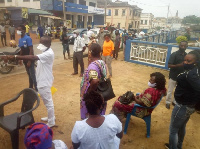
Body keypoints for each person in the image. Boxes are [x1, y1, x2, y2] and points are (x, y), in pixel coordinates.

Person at [6, 35, 56, 127]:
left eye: (43, 43)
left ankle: (52, 121)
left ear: (49, 44)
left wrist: (16, 57)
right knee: (46, 101)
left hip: (44, 81)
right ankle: (50, 117)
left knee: (48, 102)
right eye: (41, 42)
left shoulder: (48, 53)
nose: (41, 44)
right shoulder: (45, 50)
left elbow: (33, 58)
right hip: (42, 79)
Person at [165, 51, 200, 149]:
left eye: (189, 61)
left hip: (182, 106)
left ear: (195, 62)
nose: (185, 62)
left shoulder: (190, 75)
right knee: (181, 126)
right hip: (189, 106)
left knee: (173, 130)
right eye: (184, 60)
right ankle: (178, 146)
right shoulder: (195, 71)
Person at [80, 43, 107, 120]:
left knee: (90, 118)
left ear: (90, 52)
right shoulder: (101, 62)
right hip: (101, 94)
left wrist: (89, 94)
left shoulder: (93, 66)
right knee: (98, 117)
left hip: (92, 98)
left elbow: (94, 81)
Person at [165, 41, 188, 109]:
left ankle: (174, 101)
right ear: (179, 46)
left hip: (181, 76)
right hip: (173, 75)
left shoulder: (186, 55)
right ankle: (168, 102)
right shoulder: (174, 54)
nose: (183, 47)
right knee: (170, 90)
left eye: (184, 46)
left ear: (187, 47)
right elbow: (169, 65)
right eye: (181, 46)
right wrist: (179, 65)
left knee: (178, 90)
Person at [17, 25, 38, 91]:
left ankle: (37, 88)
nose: (18, 31)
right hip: (25, 59)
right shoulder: (20, 40)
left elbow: (31, 50)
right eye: (18, 29)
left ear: (23, 30)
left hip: (30, 59)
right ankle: (31, 87)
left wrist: (29, 61)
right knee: (29, 74)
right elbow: (21, 50)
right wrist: (20, 59)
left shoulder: (28, 38)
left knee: (32, 74)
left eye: (19, 29)